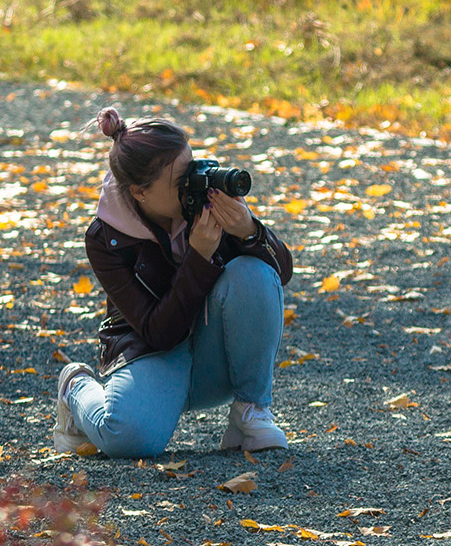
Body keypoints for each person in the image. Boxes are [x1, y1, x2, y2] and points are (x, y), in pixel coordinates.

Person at [53, 108, 295, 458]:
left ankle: (250, 413)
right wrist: (198, 258)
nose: (196, 182)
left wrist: (250, 232)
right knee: (128, 440)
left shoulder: (209, 192)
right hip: (155, 352)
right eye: (182, 180)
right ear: (140, 193)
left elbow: (279, 275)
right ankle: (75, 388)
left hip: (214, 354)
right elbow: (157, 332)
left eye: (193, 166)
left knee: (252, 273)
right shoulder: (106, 238)